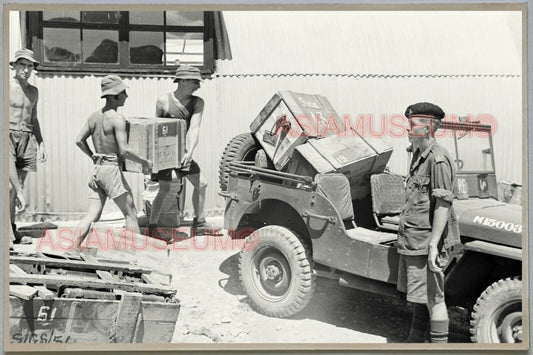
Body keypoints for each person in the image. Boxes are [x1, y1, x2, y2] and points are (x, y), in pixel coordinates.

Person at [397, 102, 460, 343]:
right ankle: (414, 342)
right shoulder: (417, 155)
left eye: (413, 125)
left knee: (435, 299)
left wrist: (434, 244)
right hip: (416, 239)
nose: (408, 129)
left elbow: (443, 204)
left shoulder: (438, 159)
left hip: (427, 241)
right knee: (422, 294)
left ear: (428, 127)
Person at [71, 75, 152, 254]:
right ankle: (136, 256)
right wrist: (144, 162)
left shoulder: (93, 117)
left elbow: (78, 140)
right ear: (114, 95)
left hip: (97, 170)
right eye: (123, 93)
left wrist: (92, 155)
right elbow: (124, 150)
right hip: (110, 170)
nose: (126, 97)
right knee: (130, 213)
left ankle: (71, 249)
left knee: (92, 215)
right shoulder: (117, 118)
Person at [147, 64, 209, 236]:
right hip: (164, 153)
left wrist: (189, 153)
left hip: (182, 152)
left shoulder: (198, 102)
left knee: (202, 183)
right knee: (164, 189)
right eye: (195, 82)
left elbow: (194, 128)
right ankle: (152, 227)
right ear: (182, 81)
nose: (198, 86)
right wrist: (154, 158)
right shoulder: (163, 101)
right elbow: (155, 128)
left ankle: (198, 222)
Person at [9, 49, 46, 247]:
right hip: (8, 135)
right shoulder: (7, 85)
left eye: (29, 66)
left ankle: (11, 228)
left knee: (17, 189)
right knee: (9, 187)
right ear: (14, 66)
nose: (25, 69)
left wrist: (41, 142)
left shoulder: (33, 91)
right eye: (21, 65)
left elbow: (34, 118)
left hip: (27, 136)